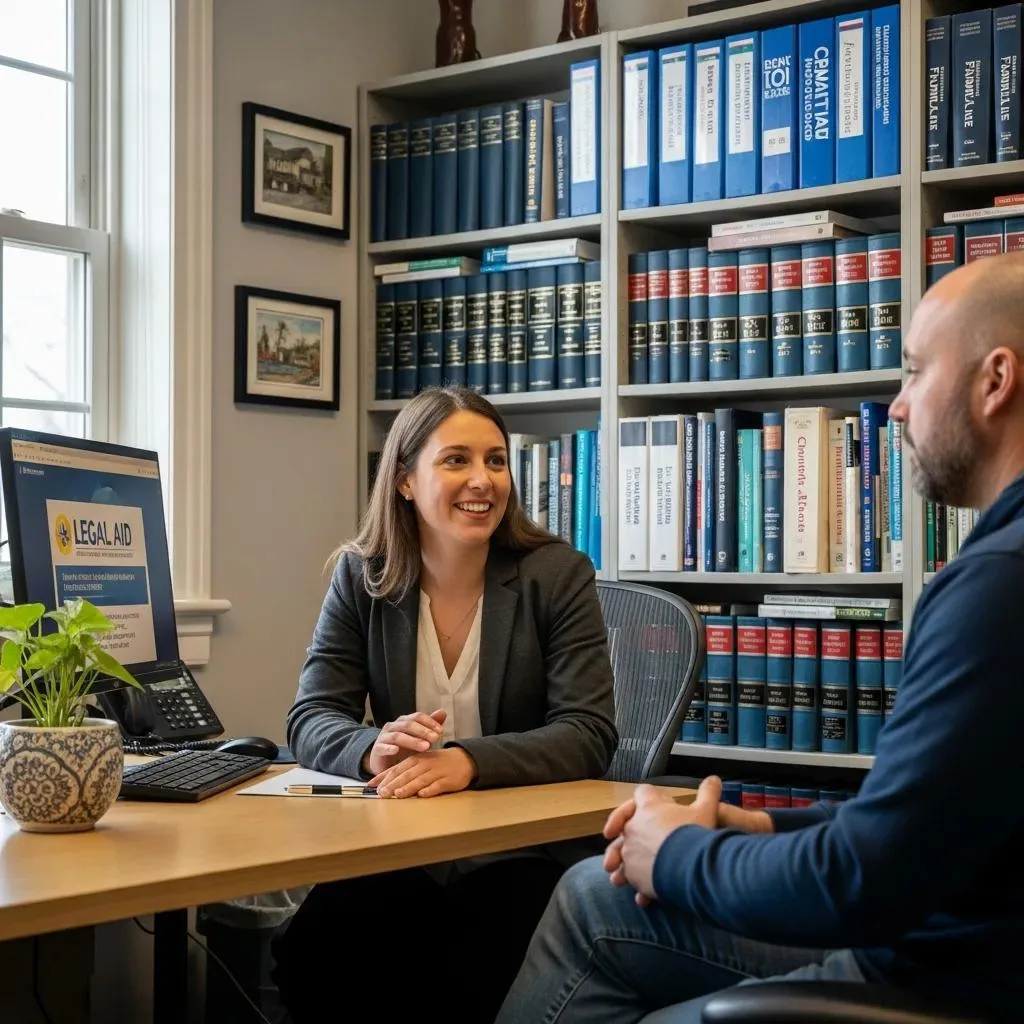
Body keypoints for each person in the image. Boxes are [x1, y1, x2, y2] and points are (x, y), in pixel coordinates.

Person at [495, 253, 1024, 1024]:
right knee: (589, 891)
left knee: (594, 901)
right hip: (960, 938)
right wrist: (762, 825)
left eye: (913, 371)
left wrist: (674, 856)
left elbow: (857, 883)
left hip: (933, 976)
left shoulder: (996, 589)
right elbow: (923, 816)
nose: (899, 407)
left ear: (995, 380)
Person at [270, 385, 618, 1024]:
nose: (482, 480)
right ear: (404, 480)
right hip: (403, 850)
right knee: (314, 953)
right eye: (455, 459)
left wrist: (467, 762)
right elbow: (310, 717)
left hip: (519, 853)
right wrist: (371, 749)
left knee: (473, 964)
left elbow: (589, 733)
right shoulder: (362, 576)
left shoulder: (557, 575)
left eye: (495, 460)